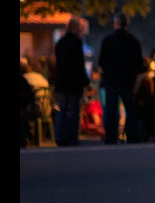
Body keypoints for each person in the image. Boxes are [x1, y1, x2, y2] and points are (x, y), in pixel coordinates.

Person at [98, 12, 144, 144]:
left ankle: (111, 137)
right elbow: (139, 63)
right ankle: (132, 137)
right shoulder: (133, 41)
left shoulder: (107, 40)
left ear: (116, 24)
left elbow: (101, 61)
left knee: (111, 111)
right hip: (128, 81)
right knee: (130, 110)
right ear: (127, 24)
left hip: (111, 81)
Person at [53, 17, 90, 146]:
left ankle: (59, 136)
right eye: (79, 28)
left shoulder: (60, 43)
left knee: (62, 109)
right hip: (74, 82)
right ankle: (72, 137)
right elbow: (79, 64)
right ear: (74, 28)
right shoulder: (76, 43)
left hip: (61, 82)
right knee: (74, 109)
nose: (81, 31)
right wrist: (85, 81)